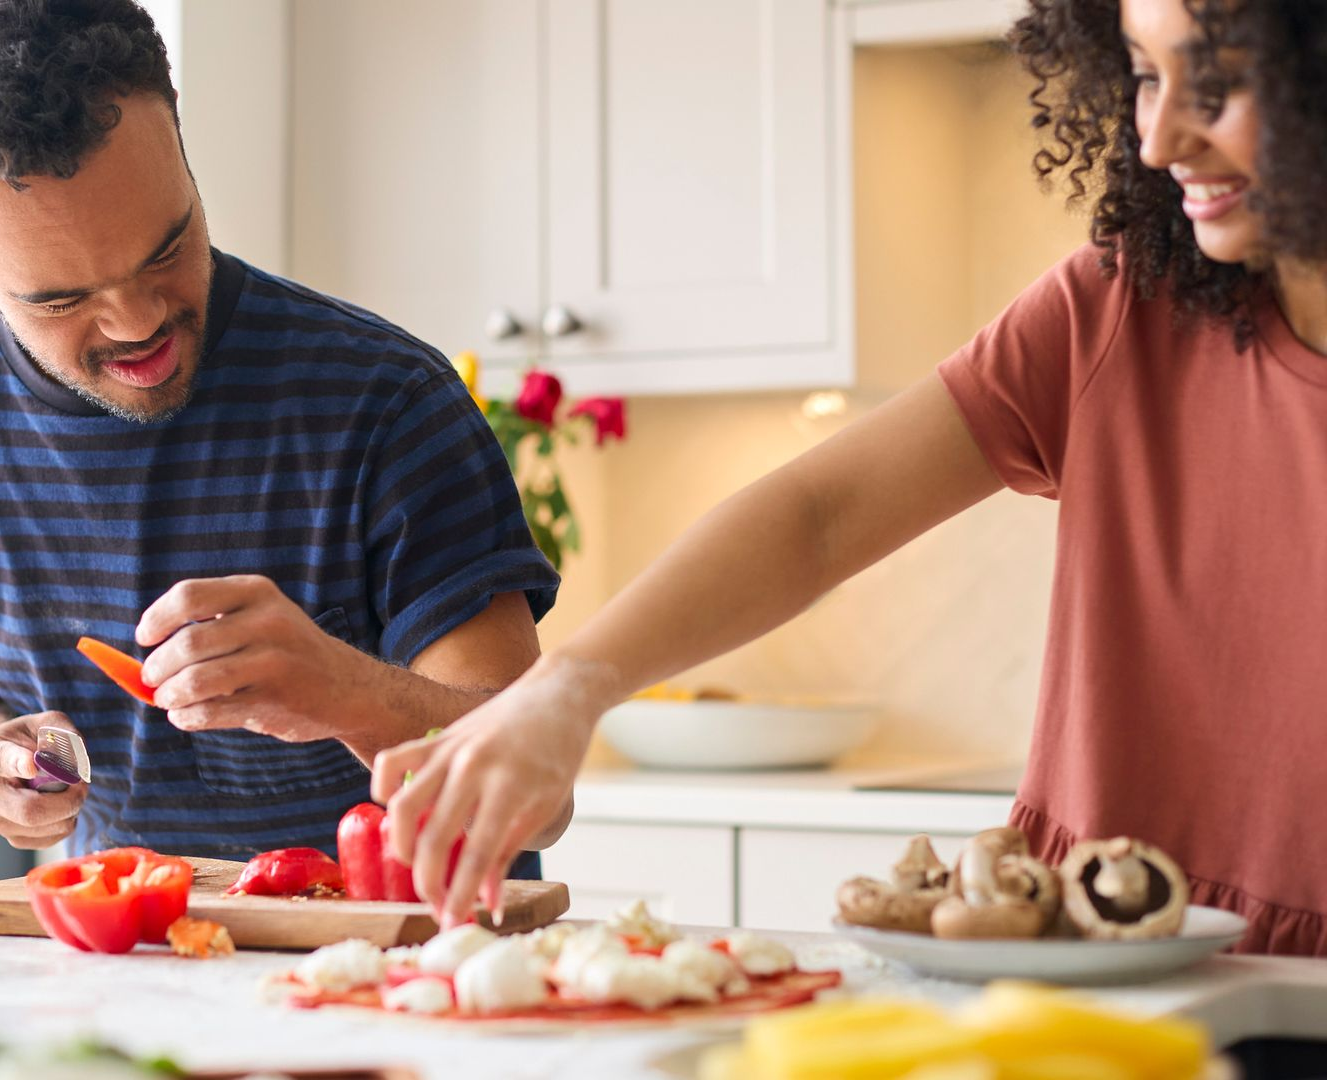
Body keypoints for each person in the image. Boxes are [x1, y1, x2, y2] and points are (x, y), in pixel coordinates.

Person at [378, 0, 1327, 955]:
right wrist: (566, 692)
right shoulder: (1120, 306)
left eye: (1215, 82)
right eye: (1143, 76)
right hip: (1081, 956)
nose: (1158, 137)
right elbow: (818, 515)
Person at [0, 0, 567, 884]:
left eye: (167, 247)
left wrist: (344, 689)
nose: (140, 322)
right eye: (62, 299)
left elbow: (543, 789)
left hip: (411, 978)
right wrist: (14, 774)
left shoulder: (384, 402)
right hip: (131, 975)